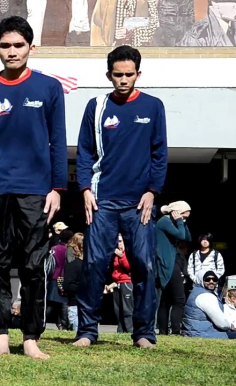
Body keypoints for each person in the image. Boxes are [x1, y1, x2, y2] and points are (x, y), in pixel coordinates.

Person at [0, 16, 67, 359]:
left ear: (31, 48)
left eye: (18, 45)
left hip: (37, 191)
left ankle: (31, 338)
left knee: (34, 264)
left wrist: (57, 188)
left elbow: (58, 142)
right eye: (5, 45)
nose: (11, 51)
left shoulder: (49, 88)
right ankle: (1, 337)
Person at [75, 45, 168, 349]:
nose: (124, 80)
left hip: (138, 203)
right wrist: (86, 189)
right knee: (94, 265)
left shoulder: (154, 106)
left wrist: (153, 192)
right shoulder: (96, 106)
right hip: (102, 202)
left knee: (144, 265)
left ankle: (143, 334)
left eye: (129, 74)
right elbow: (85, 151)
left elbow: (159, 153)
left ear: (138, 74)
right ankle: (88, 332)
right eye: (118, 75)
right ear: (108, 75)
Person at [155, 201, 192, 335]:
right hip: (167, 263)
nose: (184, 219)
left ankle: (163, 331)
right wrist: (180, 222)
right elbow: (181, 235)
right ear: (176, 212)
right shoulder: (164, 221)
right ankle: (175, 331)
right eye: (184, 216)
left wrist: (183, 223)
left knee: (166, 300)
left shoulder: (172, 222)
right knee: (179, 299)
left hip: (170, 262)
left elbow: (187, 237)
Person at [181, 270, 236, 339]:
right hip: (202, 334)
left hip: (193, 332)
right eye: (207, 279)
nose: (211, 281)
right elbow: (222, 324)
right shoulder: (205, 296)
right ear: (201, 280)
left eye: (214, 279)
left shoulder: (196, 291)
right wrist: (231, 326)